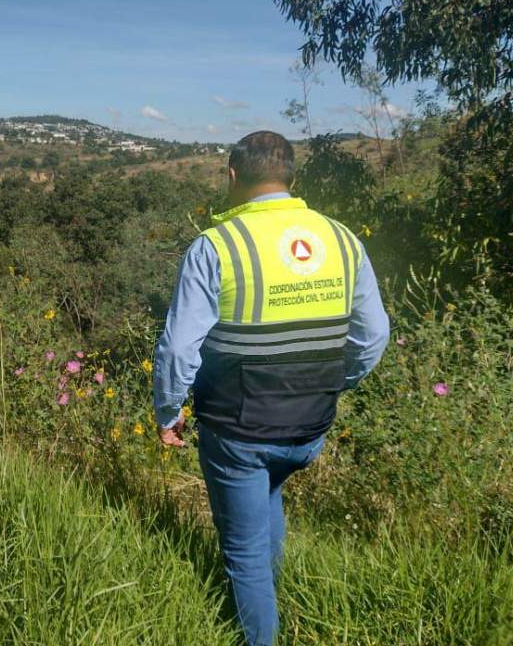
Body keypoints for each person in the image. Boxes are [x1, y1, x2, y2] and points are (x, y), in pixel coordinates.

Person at [152, 131, 389, 646]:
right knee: (270, 494)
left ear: (233, 176)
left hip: (239, 428)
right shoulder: (343, 240)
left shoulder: (216, 247)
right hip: (310, 425)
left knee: (243, 553)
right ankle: (280, 597)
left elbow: (177, 349)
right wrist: (335, 383)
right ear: (292, 177)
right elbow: (373, 337)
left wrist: (168, 411)